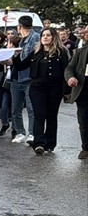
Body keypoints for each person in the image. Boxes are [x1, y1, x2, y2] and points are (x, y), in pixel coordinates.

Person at [27, 27, 71, 155]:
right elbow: (21, 64)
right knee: (39, 114)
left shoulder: (61, 52)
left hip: (54, 88)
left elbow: (66, 71)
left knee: (51, 116)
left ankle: (50, 143)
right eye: (43, 35)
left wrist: (66, 90)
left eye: (48, 35)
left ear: (53, 37)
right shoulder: (36, 52)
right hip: (37, 87)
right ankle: (39, 143)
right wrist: (11, 58)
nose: (45, 37)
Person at [9, 15, 41, 143]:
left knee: (31, 107)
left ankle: (32, 133)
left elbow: (27, 60)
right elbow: (14, 60)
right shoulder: (20, 40)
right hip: (16, 77)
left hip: (28, 78)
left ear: (19, 26)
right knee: (15, 108)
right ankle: (20, 132)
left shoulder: (35, 38)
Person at [66, 26, 88, 159]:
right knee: (84, 120)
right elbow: (69, 68)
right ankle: (86, 147)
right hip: (84, 90)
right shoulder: (80, 52)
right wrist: (70, 78)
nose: (85, 34)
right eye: (85, 32)